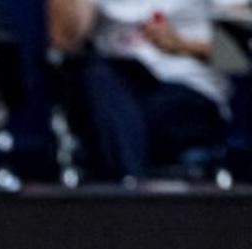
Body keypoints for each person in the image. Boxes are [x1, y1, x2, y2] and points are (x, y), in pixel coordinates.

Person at [47, 0, 230, 180]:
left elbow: (241, 47)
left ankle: (127, 196)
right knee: (98, 82)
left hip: (187, 90)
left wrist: (180, 45)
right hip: (110, 86)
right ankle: (132, 196)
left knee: (115, 117)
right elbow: (64, 39)